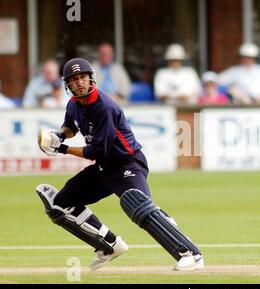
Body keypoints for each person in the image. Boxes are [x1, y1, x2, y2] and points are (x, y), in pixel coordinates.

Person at [36, 58, 204, 271]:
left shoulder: (104, 107)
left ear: (91, 79)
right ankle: (109, 246)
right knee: (60, 204)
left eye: (82, 78)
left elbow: (96, 151)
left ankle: (190, 253)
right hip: (104, 168)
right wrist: (59, 135)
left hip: (128, 163)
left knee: (139, 207)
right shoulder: (73, 105)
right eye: (73, 80)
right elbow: (71, 126)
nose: (79, 83)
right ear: (67, 85)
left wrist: (61, 149)